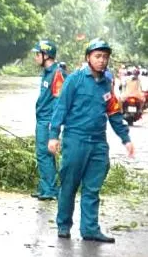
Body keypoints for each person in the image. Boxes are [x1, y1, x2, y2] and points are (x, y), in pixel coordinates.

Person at [48, 39, 135, 243]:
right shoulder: (74, 80)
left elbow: (113, 113)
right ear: (88, 57)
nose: (102, 60)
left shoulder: (106, 83)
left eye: (105, 57)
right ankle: (63, 225)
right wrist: (54, 136)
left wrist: (125, 138)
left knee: (93, 187)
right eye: (98, 56)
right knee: (69, 184)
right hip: (75, 139)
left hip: (98, 142)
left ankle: (89, 229)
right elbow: (60, 108)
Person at [30, 40, 66, 201]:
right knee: (43, 154)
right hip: (42, 118)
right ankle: (46, 186)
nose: (35, 57)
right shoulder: (46, 72)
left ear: (46, 55)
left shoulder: (57, 74)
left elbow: (59, 100)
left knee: (44, 154)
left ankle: (50, 189)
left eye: (37, 54)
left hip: (48, 120)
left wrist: (54, 124)